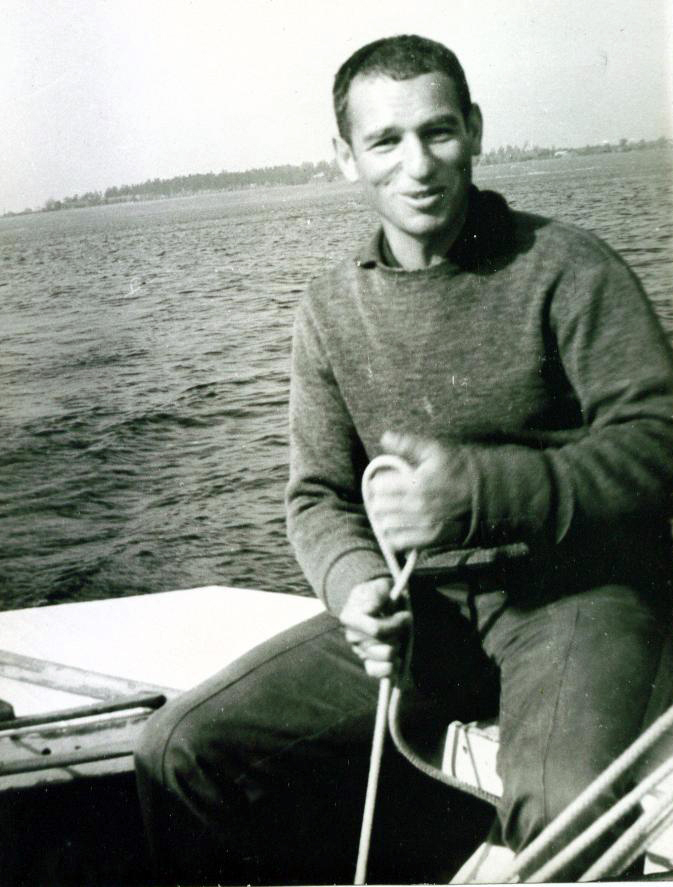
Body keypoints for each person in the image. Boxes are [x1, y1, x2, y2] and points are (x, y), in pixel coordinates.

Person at [135, 34, 673, 884]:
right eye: (385, 140)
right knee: (182, 750)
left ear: (475, 131)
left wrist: (480, 490)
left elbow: (656, 439)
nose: (417, 165)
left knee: (563, 812)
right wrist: (355, 587)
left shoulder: (568, 267)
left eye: (438, 131)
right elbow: (316, 496)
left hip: (576, 595)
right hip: (423, 614)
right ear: (345, 156)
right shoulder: (329, 306)